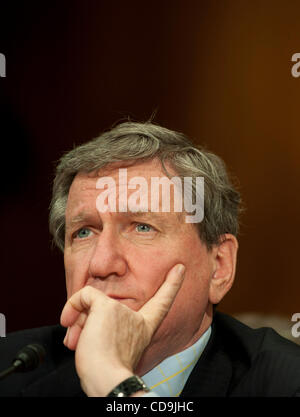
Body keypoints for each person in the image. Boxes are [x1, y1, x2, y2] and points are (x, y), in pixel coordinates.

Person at [1, 121, 300, 397]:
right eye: (84, 233)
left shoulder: (285, 383)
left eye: (142, 227)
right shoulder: (10, 371)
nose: (101, 265)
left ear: (218, 267)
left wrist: (112, 381)